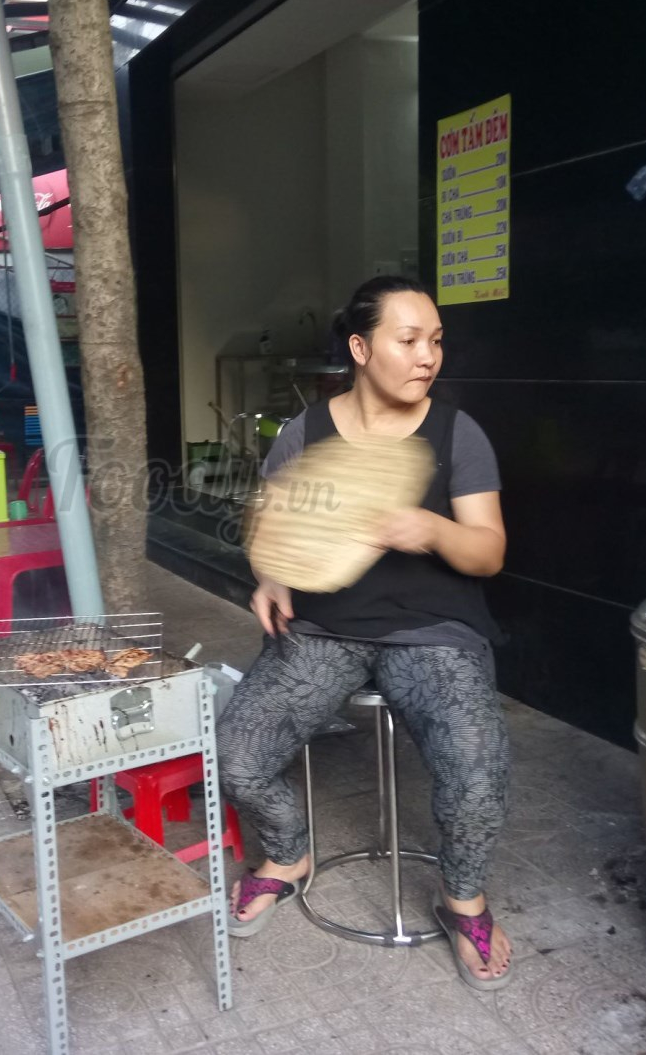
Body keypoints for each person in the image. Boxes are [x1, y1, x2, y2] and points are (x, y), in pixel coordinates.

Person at [215, 275, 513, 990]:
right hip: (326, 627)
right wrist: (272, 575)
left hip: (434, 630)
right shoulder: (305, 433)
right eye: (408, 340)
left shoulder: (457, 433)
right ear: (360, 348)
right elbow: (273, 529)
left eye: (435, 340)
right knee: (237, 756)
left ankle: (462, 898)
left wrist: (432, 528)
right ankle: (287, 852)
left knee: (478, 771)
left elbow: (489, 552)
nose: (427, 356)